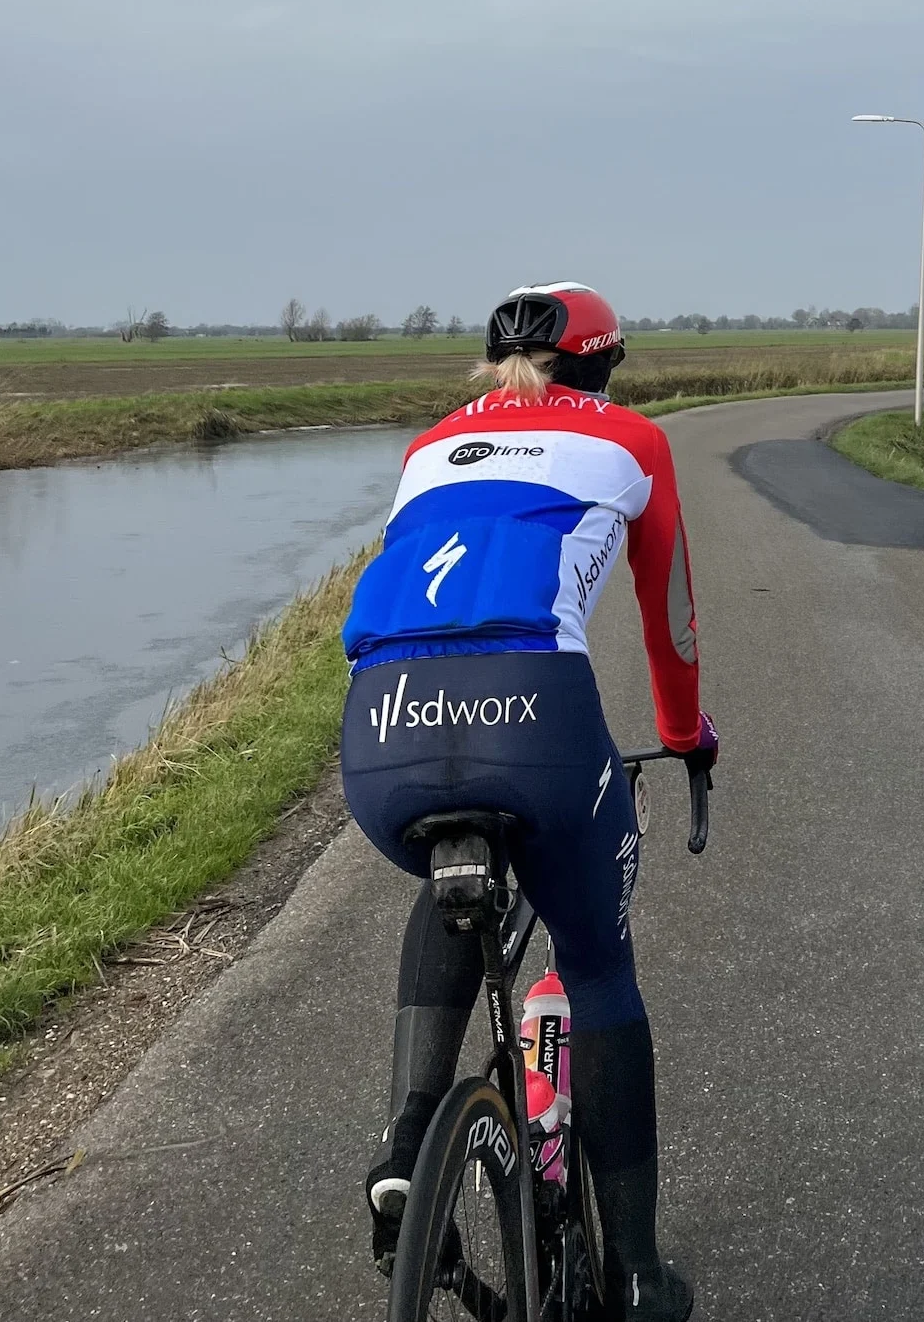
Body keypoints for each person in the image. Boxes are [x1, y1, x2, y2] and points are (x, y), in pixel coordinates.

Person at [339, 281, 714, 1320]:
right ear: (601, 367)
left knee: (449, 857)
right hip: (534, 715)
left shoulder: (430, 445)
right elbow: (670, 618)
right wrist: (686, 738)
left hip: (379, 728)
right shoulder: (633, 439)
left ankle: (412, 1138)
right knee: (598, 967)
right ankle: (637, 1270)